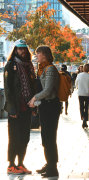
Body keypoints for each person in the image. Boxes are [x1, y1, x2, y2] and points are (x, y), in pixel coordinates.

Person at [28, 45, 61, 178]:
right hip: (45, 106)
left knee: (50, 138)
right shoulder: (42, 69)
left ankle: (53, 168)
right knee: (45, 137)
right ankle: (49, 164)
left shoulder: (50, 69)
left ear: (45, 55)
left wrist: (34, 98)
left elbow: (47, 91)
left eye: (38, 54)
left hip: (51, 106)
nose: (37, 56)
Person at [4, 39, 35, 174]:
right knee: (14, 136)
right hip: (15, 107)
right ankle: (11, 165)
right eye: (19, 49)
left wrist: (34, 107)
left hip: (27, 107)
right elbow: (7, 89)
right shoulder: (10, 65)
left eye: (24, 49)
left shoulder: (29, 66)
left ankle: (21, 164)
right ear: (15, 50)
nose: (22, 51)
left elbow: (32, 87)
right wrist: (11, 108)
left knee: (25, 137)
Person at [75, 63, 89, 129]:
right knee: (86, 106)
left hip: (81, 93)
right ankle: (85, 120)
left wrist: (78, 87)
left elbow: (76, 84)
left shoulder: (79, 75)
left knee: (81, 106)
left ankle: (83, 117)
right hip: (88, 93)